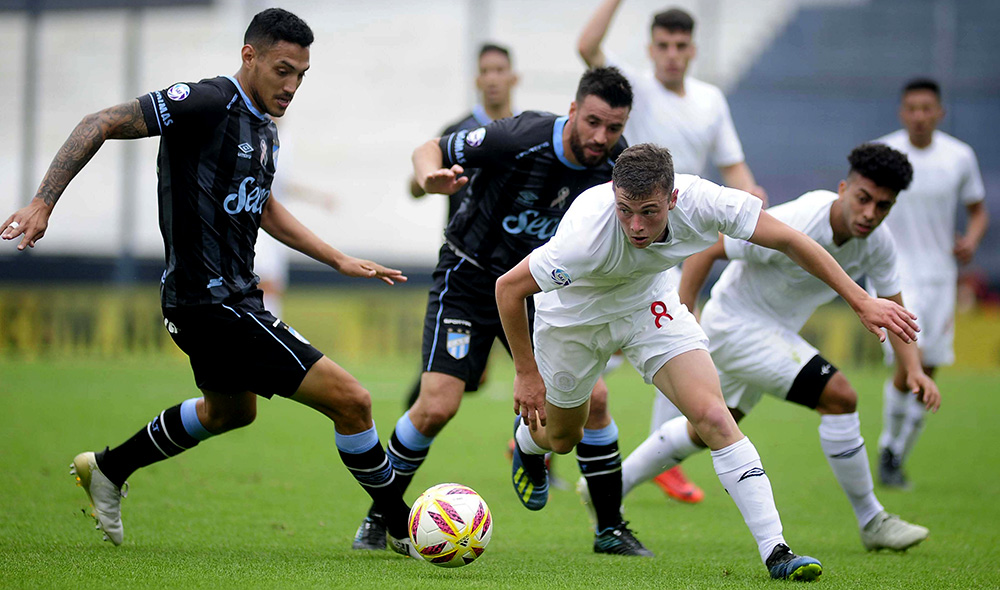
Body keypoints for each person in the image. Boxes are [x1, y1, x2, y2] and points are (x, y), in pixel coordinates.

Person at [1, 8, 419, 557]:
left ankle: (109, 467)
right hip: (210, 303)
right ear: (250, 56)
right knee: (353, 401)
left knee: (230, 412)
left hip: (229, 298)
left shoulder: (264, 128)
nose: (292, 86)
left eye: (301, 75)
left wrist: (336, 258)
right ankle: (403, 527)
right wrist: (43, 201)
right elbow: (99, 121)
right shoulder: (205, 101)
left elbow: (263, 206)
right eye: (282, 70)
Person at [496, 143, 920, 577]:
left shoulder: (705, 201)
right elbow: (508, 289)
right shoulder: (584, 238)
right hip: (573, 323)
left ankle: (778, 552)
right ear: (613, 194)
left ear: (674, 198)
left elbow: (791, 240)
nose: (636, 226)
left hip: (648, 305)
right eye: (625, 210)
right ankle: (528, 444)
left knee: (714, 418)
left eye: (649, 211)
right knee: (563, 438)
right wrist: (526, 375)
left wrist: (860, 300)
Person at [351, 67, 633, 553]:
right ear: (572, 110)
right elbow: (429, 149)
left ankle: (610, 529)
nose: (601, 137)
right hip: (469, 278)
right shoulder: (517, 137)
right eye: (592, 122)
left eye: (613, 128)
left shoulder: (618, 166)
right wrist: (428, 178)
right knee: (437, 404)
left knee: (598, 400)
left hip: (540, 292)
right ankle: (380, 518)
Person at [615, 143, 938, 553]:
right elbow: (712, 246)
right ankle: (872, 520)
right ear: (843, 188)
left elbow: (893, 307)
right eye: (863, 199)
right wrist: (686, 310)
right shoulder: (803, 218)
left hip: (770, 334)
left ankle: (607, 487)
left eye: (883, 206)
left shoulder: (878, 242)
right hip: (736, 325)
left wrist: (912, 369)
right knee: (840, 397)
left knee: (706, 429)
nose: (870, 213)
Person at [578, 0, 768, 504]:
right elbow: (585, 48)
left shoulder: (710, 100)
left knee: (672, 339)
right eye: (663, 45)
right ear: (650, 48)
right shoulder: (634, 91)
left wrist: (755, 208)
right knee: (631, 338)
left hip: (680, 238)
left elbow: (735, 167)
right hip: (628, 234)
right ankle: (543, 427)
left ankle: (659, 456)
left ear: (693, 50)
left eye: (681, 46)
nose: (672, 55)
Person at [872, 78, 989, 488]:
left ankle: (897, 454)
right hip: (896, 274)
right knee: (909, 366)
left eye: (927, 108)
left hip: (941, 276)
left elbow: (978, 211)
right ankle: (888, 447)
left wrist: (970, 241)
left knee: (931, 367)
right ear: (902, 112)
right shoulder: (885, 154)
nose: (919, 116)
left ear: (939, 112)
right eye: (912, 108)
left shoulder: (959, 157)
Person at [401, 42, 519, 409]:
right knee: (467, 375)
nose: (493, 79)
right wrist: (427, 180)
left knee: (540, 375)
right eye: (487, 71)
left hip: (515, 268)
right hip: (466, 269)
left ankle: (533, 462)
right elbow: (415, 184)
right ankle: (414, 415)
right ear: (477, 79)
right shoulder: (458, 131)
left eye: (501, 70)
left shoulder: (525, 133)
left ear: (514, 77)